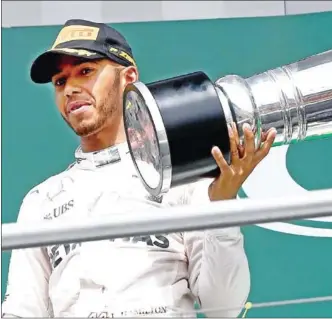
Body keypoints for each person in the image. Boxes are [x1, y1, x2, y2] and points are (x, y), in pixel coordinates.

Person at [1, 19, 277, 318]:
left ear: (128, 76)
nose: (70, 89)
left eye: (85, 72)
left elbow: (223, 306)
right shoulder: (41, 201)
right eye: (60, 81)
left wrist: (222, 206)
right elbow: (22, 311)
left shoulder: (182, 176)